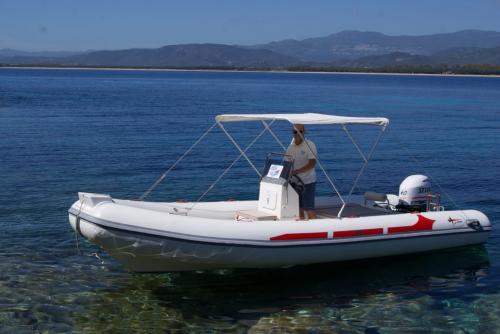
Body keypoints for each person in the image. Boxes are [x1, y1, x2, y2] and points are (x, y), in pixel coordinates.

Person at [286, 124, 317, 220]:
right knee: (299, 209)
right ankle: (303, 228)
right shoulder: (291, 147)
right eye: (295, 132)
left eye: (300, 131)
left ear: (304, 132)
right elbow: (286, 162)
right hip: (295, 182)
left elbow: (312, 163)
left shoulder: (310, 145)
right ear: (292, 133)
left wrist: (297, 171)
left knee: (309, 209)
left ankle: (317, 231)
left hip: (308, 182)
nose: (298, 134)